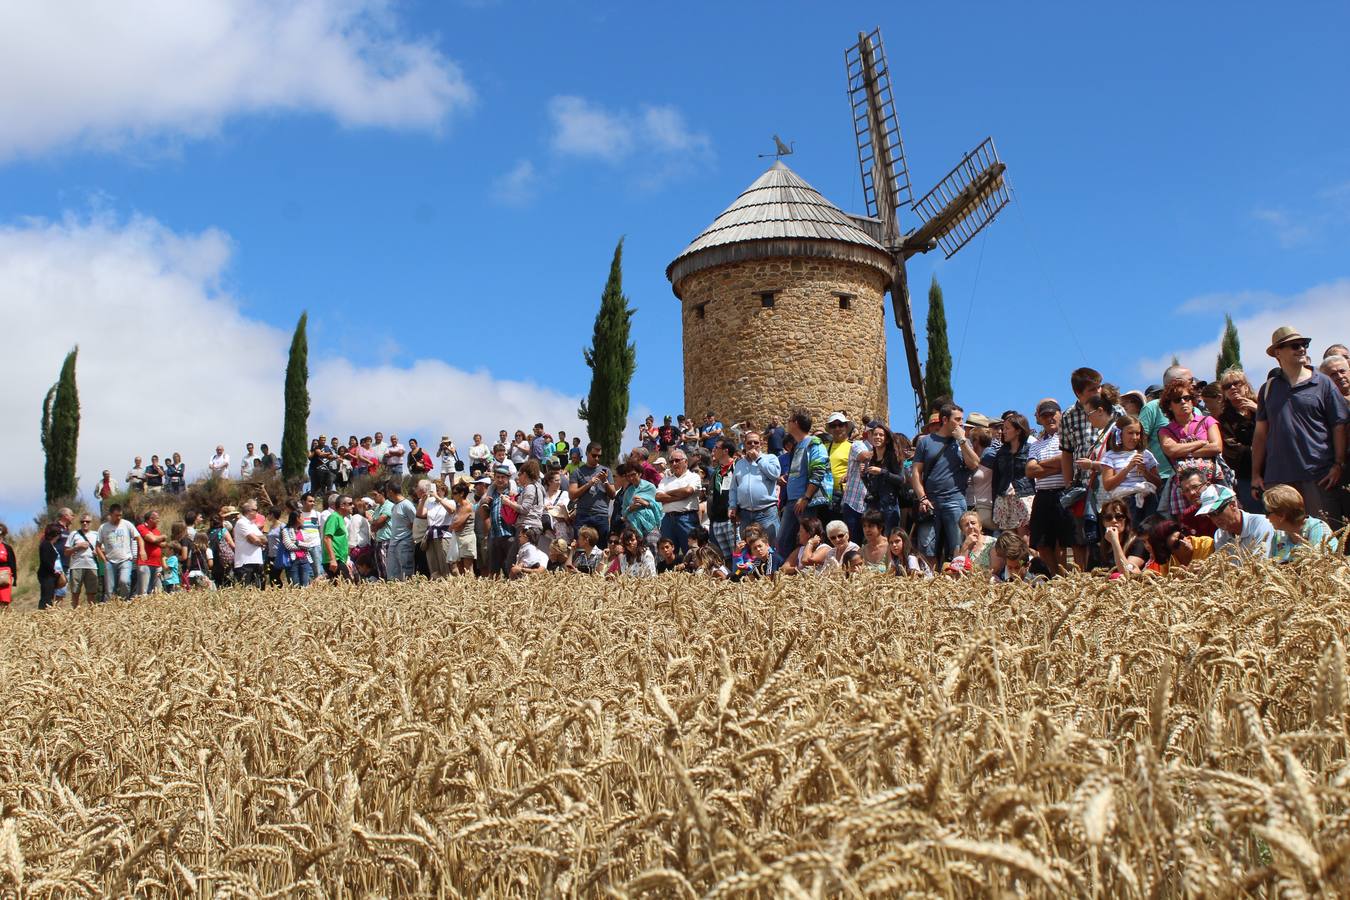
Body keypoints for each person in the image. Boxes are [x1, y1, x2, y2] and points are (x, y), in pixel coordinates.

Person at [1253, 326, 1348, 528]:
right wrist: (1255, 475)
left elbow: (1339, 426)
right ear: (1278, 352)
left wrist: (1338, 464)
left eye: (1304, 344)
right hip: (1279, 478)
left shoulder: (1323, 383)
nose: (1302, 349)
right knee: (1288, 541)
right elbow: (1260, 435)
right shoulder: (1268, 388)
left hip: (1319, 475)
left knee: (1329, 537)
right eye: (1295, 346)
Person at [910, 402, 981, 569]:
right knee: (927, 547)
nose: (961, 423)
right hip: (930, 502)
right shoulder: (925, 442)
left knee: (958, 546)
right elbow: (916, 473)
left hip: (955, 500)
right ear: (944, 419)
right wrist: (922, 498)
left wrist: (962, 441)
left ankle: (957, 581)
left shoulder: (962, 442)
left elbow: (974, 464)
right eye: (957, 419)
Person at [1158, 379, 1224, 517]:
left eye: (1186, 398)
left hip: (1212, 481)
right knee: (1188, 525)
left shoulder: (1207, 420)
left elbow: (1217, 447)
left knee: (1221, 518)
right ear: (1169, 406)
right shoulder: (1165, 431)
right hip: (1183, 489)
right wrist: (1201, 443)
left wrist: (1182, 450)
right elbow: (1171, 451)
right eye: (1177, 399)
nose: (1183, 402)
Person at [777, 409, 833, 561]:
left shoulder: (813, 443)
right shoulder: (798, 446)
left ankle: (811, 572)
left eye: (789, 420)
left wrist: (806, 497)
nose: (787, 423)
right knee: (783, 542)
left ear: (795, 423)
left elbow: (818, 471)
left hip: (805, 502)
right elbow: (801, 471)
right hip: (792, 501)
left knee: (809, 539)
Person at [1099, 415, 1162, 529]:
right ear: (1119, 434)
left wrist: (1145, 472)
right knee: (1131, 536)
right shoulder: (1110, 456)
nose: (1134, 437)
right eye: (1130, 433)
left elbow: (1158, 483)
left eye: (1137, 433)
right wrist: (1128, 468)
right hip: (1124, 503)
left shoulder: (1146, 454)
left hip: (1148, 500)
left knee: (1150, 535)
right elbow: (1108, 485)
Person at [1215, 368, 1263, 512]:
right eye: (1227, 386)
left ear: (1246, 385)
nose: (1233, 388)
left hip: (1274, 470)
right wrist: (1258, 450)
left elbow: (1278, 429)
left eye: (1237, 383)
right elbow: (1231, 449)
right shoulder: (1224, 419)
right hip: (1246, 476)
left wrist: (1258, 410)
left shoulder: (1262, 405)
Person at [1264, 483, 1340, 561]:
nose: (1266, 517)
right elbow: (1273, 565)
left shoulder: (1317, 528)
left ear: (1282, 515)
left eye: (1267, 513)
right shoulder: (1279, 535)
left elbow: (1320, 563)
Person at [1200, 485, 1275, 561]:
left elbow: (1259, 565)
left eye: (1217, 512)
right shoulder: (1219, 535)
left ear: (1233, 505)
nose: (1215, 519)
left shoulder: (1261, 524)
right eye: (1210, 514)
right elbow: (1223, 568)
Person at [989, 412, 1034, 536]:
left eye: (1007, 428)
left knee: (1024, 538)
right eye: (1003, 428)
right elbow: (996, 480)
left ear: (1018, 431)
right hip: (1003, 498)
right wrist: (995, 501)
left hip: (1024, 495)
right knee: (1009, 541)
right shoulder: (1001, 452)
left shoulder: (1031, 449)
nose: (1003, 431)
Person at [862, 422, 909, 533]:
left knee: (888, 539)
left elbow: (901, 479)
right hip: (873, 506)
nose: (877, 437)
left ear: (887, 439)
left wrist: (881, 471)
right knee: (873, 538)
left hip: (889, 506)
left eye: (881, 435)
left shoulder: (894, 457)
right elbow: (871, 487)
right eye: (875, 434)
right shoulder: (871, 459)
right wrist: (863, 476)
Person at [655, 450, 702, 555]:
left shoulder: (693, 477)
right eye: (671, 461)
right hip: (668, 519)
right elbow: (658, 497)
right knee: (668, 554)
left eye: (677, 460)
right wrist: (681, 496)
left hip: (686, 518)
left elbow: (688, 491)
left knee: (692, 552)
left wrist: (667, 494)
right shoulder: (666, 479)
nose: (674, 464)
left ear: (685, 462)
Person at [96, 504, 142, 600]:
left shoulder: (127, 524)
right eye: (117, 515)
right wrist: (104, 560)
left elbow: (139, 538)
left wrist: (142, 550)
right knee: (109, 589)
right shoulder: (103, 528)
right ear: (110, 515)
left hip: (125, 560)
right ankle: (109, 607)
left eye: (120, 515)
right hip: (110, 561)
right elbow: (98, 547)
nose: (119, 517)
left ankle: (123, 602)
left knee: (124, 581)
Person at [417, 480, 458, 578]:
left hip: (443, 536)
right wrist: (423, 500)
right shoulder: (430, 504)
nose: (435, 492)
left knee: (446, 564)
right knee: (433, 565)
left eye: (438, 489)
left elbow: (452, 510)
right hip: (431, 536)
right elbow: (420, 514)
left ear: (444, 490)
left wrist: (438, 498)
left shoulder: (450, 501)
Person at [1144, 519, 1215, 575]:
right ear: (1169, 552)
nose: (1184, 543)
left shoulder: (1206, 544)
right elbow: (1167, 588)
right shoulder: (1168, 562)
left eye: (1181, 536)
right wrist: (1182, 578)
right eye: (1176, 544)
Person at [1098, 498, 1148, 575]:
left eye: (1119, 517)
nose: (1114, 520)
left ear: (1126, 520)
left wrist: (1115, 541)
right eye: (1108, 517)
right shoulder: (1098, 547)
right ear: (1104, 523)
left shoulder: (1137, 543)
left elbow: (1129, 571)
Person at [706, 440, 737, 560]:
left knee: (737, 554)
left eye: (716, 447)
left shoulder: (737, 468)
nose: (713, 450)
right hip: (717, 520)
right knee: (725, 558)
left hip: (732, 519)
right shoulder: (716, 472)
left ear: (725, 451)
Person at [65, 512, 101, 606]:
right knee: (75, 592)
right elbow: (66, 552)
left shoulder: (96, 534)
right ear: (80, 523)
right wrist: (77, 546)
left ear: (91, 523)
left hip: (92, 566)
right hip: (76, 566)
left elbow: (103, 550)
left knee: (91, 592)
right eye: (83, 521)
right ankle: (75, 613)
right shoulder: (73, 534)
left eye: (87, 521)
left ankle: (91, 613)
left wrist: (97, 552)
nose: (85, 523)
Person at [384, 481, 417, 580]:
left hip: (405, 542)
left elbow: (415, 522)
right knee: (393, 572)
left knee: (406, 572)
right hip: (393, 543)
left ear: (390, 492)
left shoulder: (407, 505)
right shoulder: (394, 506)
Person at [232, 500, 267, 587]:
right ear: (249, 511)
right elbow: (256, 540)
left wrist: (255, 539)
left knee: (259, 590)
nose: (257, 512)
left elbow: (265, 540)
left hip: (256, 561)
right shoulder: (241, 523)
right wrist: (256, 540)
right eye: (256, 510)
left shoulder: (252, 524)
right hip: (245, 563)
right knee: (247, 592)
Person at [448, 480, 477, 575]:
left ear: (462, 493)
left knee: (468, 569)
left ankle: (471, 588)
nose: (453, 496)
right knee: (460, 568)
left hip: (466, 539)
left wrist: (451, 526)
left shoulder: (467, 506)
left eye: (455, 493)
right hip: (458, 539)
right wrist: (452, 526)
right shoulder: (459, 506)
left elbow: (457, 524)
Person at [134, 510, 165, 596]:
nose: (159, 520)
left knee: (158, 591)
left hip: (157, 564)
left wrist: (156, 539)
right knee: (144, 592)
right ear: (151, 519)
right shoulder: (141, 527)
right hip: (145, 563)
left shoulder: (156, 531)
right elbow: (153, 539)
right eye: (157, 519)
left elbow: (163, 544)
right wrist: (162, 537)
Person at [322, 496, 353, 580]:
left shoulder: (341, 518)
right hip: (334, 560)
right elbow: (327, 538)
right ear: (342, 505)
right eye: (350, 504)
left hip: (340, 560)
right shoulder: (334, 517)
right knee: (346, 587)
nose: (352, 506)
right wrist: (332, 559)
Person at [37, 523, 65, 610]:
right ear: (55, 534)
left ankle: (48, 613)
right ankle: (42, 614)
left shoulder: (50, 544)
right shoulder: (46, 544)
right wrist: (54, 571)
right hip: (47, 575)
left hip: (51, 575)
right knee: (46, 598)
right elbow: (46, 561)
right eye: (59, 534)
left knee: (50, 597)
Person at [279, 510, 310, 587]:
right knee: (294, 586)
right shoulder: (285, 531)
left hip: (304, 560)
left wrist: (297, 542)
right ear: (297, 518)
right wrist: (303, 546)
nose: (303, 519)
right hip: (292, 561)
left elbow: (309, 545)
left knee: (305, 586)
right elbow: (289, 546)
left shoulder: (303, 531)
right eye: (302, 517)